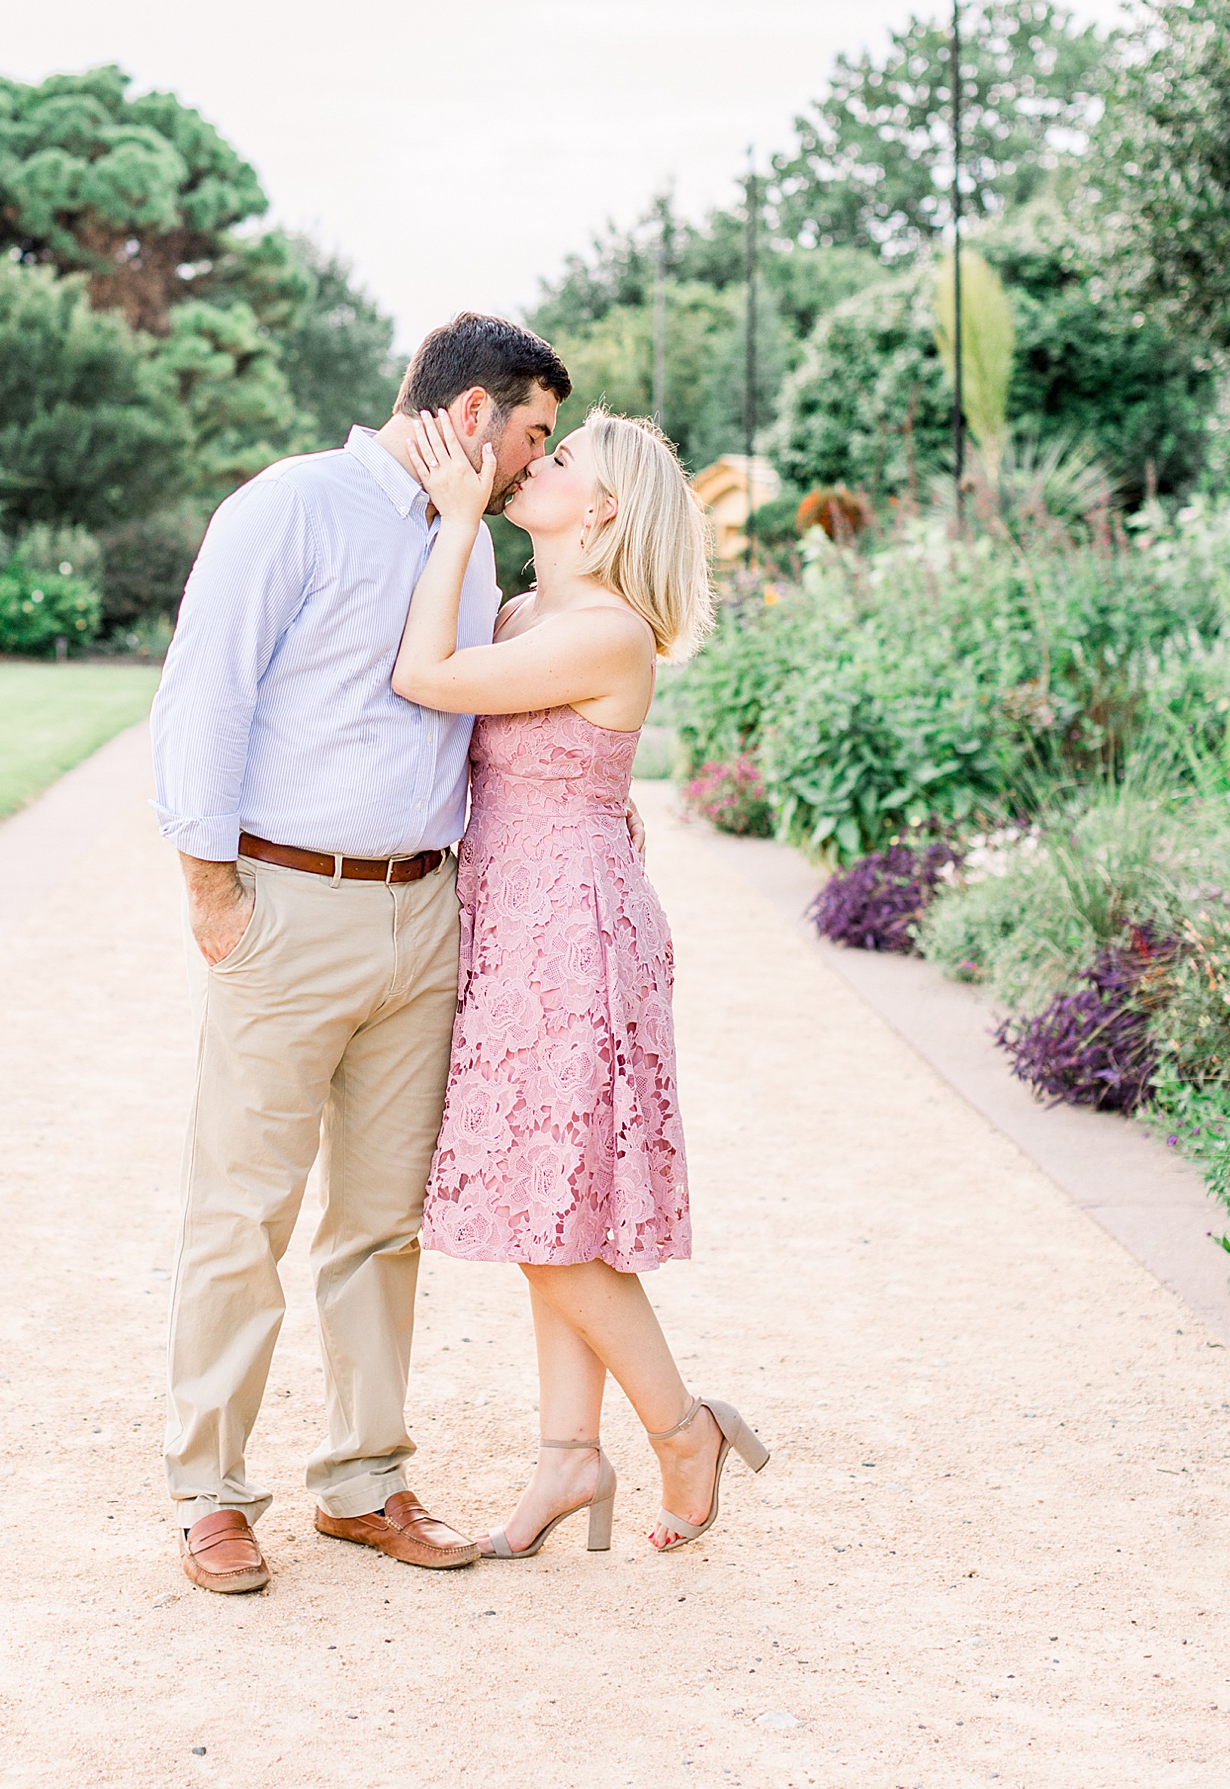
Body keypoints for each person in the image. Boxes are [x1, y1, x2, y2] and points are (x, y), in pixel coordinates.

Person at [150, 314, 571, 1594]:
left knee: (384, 1224)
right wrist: (212, 886)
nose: (532, 462)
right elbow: (204, 691)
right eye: (534, 434)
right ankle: (211, 1495)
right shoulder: (291, 507)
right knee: (242, 1212)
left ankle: (366, 1479)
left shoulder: (474, 545)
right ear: (471, 416)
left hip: (422, 916)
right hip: (288, 904)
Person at [393, 404, 770, 1557]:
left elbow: (423, 674)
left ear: (600, 508)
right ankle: (568, 1454)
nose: (532, 464)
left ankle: (681, 1425)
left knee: (552, 1216)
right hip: (515, 922)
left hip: (570, 939)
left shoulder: (605, 627)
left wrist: (459, 516)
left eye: (558, 458)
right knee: (545, 1206)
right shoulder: (527, 613)